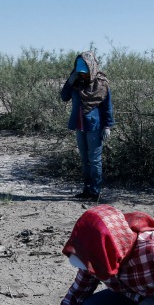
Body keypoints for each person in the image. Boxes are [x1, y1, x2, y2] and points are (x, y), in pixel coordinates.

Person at [60, 51, 115, 201]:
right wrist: (70, 82)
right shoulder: (75, 82)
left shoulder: (101, 83)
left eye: (84, 72)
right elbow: (64, 97)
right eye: (80, 72)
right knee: (85, 160)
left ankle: (95, 191)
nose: (82, 75)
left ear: (92, 68)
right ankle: (87, 189)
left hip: (94, 126)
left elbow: (107, 106)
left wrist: (107, 126)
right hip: (79, 125)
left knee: (95, 160)